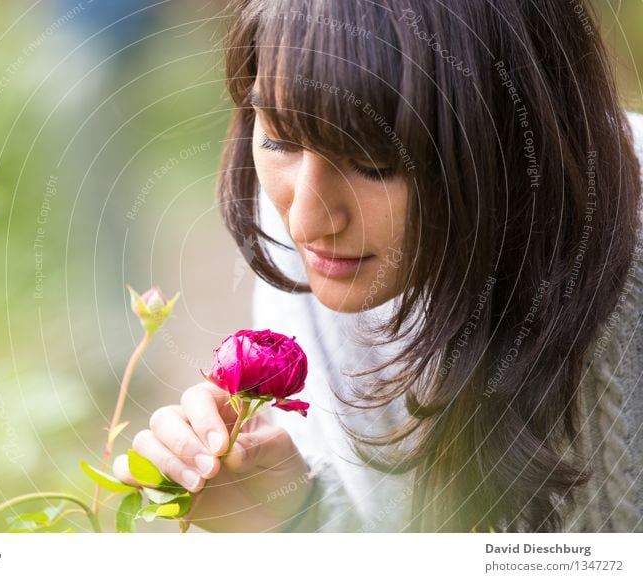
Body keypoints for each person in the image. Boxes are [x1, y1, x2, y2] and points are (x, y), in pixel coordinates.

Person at [113, 0, 643, 532]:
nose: (304, 220)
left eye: (373, 164)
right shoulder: (304, 241)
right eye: (279, 138)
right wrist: (294, 516)